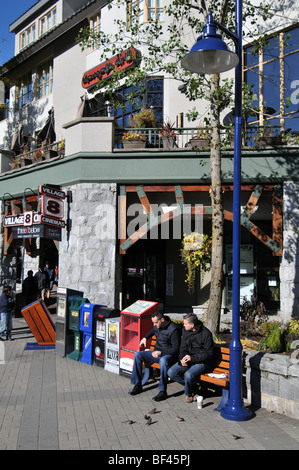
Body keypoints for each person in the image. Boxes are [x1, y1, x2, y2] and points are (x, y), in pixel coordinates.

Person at [129, 311, 181, 401]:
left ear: (162, 320)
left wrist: (161, 353)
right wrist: (145, 337)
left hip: (169, 356)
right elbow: (153, 330)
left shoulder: (174, 329)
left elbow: (175, 349)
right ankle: (138, 385)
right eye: (153, 322)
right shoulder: (157, 326)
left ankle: (162, 391)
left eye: (156, 322)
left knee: (163, 361)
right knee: (138, 355)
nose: (154, 324)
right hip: (156, 353)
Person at [167, 313, 214, 403]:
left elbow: (208, 354)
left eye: (185, 324)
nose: (183, 325)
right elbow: (183, 348)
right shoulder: (186, 332)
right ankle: (194, 389)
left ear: (192, 325)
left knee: (188, 375)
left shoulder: (206, 334)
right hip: (189, 359)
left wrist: (192, 358)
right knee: (171, 372)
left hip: (202, 362)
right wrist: (182, 359)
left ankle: (188, 393)